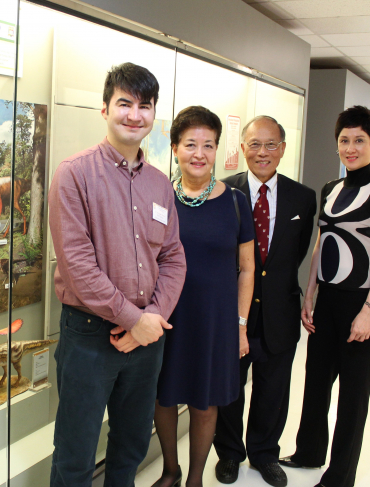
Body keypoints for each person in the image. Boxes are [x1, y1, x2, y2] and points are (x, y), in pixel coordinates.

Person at [48, 62, 187, 487]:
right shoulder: (74, 174)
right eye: (124, 103)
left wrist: (151, 321)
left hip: (147, 339)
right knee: (76, 455)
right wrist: (135, 320)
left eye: (144, 106)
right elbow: (78, 267)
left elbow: (174, 257)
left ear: (153, 116)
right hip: (90, 337)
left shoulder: (161, 184)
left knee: (130, 447)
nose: (134, 114)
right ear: (104, 109)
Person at [279, 105, 370, 487]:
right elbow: (320, 244)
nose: (351, 148)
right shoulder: (330, 190)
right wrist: (310, 292)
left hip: (361, 304)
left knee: (352, 397)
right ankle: (309, 452)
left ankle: (340, 475)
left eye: (359, 141)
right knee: (315, 383)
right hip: (327, 301)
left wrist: (369, 310)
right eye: (344, 140)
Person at [152, 105, 255, 487]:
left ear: (216, 150)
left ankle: (195, 477)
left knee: (204, 401)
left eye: (208, 145)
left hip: (214, 318)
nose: (199, 153)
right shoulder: (160, 198)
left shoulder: (235, 202)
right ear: (175, 147)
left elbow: (246, 269)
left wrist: (240, 325)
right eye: (190, 144)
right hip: (166, 313)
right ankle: (170, 471)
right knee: (162, 397)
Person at [213, 116, 317, 487]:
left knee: (273, 388)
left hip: (279, 311)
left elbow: (296, 253)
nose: (262, 152)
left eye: (271, 144)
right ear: (242, 148)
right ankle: (228, 454)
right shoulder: (223, 193)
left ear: (283, 149)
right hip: (232, 312)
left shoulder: (303, 197)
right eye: (255, 144)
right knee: (228, 387)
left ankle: (263, 454)